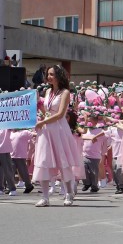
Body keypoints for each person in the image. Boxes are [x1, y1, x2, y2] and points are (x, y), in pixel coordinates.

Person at [33, 65, 82, 207]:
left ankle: (68, 193)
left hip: (59, 129)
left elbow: (60, 114)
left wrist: (43, 122)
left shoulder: (65, 92)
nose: (49, 77)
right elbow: (46, 111)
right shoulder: (47, 91)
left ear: (59, 76)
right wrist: (38, 106)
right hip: (46, 129)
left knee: (63, 162)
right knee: (43, 161)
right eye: (48, 74)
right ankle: (45, 197)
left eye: (52, 74)